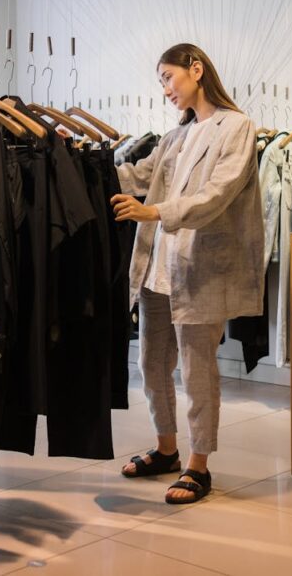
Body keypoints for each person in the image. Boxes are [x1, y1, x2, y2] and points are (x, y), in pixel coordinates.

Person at [110, 43, 264, 504]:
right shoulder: (176, 136)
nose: (165, 89)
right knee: (151, 363)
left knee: (197, 369)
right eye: (160, 81)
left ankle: (199, 465)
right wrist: (78, 163)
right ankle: (166, 449)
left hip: (201, 268)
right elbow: (140, 175)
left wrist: (154, 211)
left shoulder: (236, 128)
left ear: (196, 69)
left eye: (168, 77)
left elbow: (218, 194)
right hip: (161, 265)